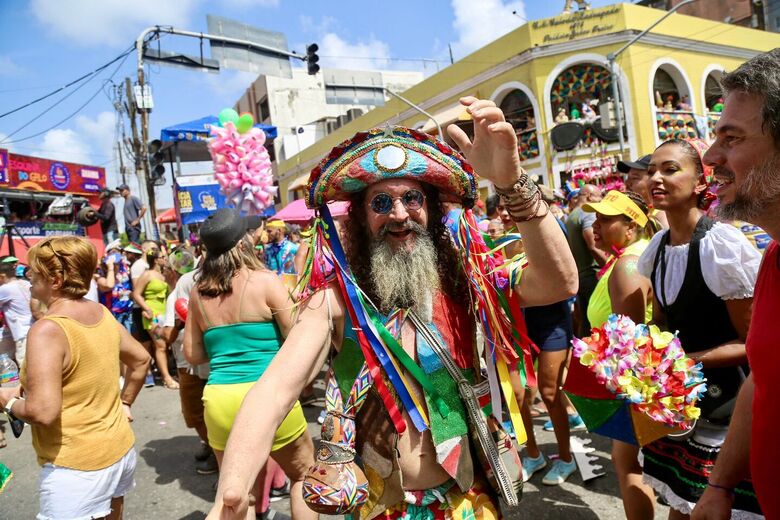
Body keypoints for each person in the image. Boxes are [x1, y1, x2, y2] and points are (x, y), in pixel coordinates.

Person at [206, 97, 578, 519]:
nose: (399, 213)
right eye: (381, 203)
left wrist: (511, 183)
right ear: (363, 219)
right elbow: (273, 392)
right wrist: (231, 492)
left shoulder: (467, 281)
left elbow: (559, 282)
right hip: (378, 509)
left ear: (432, 209)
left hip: (468, 503)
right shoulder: (336, 302)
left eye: (412, 199)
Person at [637, 139, 763, 519]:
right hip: (683, 410)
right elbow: (662, 325)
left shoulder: (721, 245)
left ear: (699, 183)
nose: (656, 178)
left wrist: (684, 362)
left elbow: (753, 344)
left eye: (670, 169)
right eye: (651, 171)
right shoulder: (657, 247)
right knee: (681, 503)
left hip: (729, 411)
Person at [0, 236, 150, 520]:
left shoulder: (48, 329)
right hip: (118, 450)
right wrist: (125, 403)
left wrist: (7, 401)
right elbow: (141, 360)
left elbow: (42, 412)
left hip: (77, 468)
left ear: (55, 279)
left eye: (32, 270)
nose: (27, 276)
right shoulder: (100, 313)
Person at [692, 49, 780, 520]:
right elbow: (763, 383)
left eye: (732, 138)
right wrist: (721, 484)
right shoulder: (772, 257)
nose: (710, 157)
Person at [185, 208, 317, 520]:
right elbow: (296, 334)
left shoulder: (197, 291)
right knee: (303, 477)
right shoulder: (265, 281)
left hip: (219, 399)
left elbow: (193, 354)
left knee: (237, 494)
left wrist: (224, 346)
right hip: (268, 396)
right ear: (243, 243)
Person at [583, 190, 656, 520]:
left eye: (605, 219)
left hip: (632, 380)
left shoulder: (628, 264)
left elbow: (629, 339)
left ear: (632, 227)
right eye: (595, 217)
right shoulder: (628, 256)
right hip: (632, 378)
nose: (595, 225)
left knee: (629, 465)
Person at [565, 184, 608, 336]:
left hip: (580, 276)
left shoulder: (571, 216)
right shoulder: (587, 213)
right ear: (590, 197)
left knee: (586, 320)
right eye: (599, 196)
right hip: (592, 275)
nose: (602, 200)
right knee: (597, 321)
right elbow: (593, 246)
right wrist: (610, 267)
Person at [133, 248, 177, 389]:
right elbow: (137, 294)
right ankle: (166, 378)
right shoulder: (147, 275)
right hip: (153, 314)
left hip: (165, 312)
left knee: (168, 343)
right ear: (156, 259)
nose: (165, 259)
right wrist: (146, 308)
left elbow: (171, 292)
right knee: (160, 345)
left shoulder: (164, 274)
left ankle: (168, 373)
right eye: (163, 257)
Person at [620, 154, 669, 231]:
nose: (627, 183)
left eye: (634, 178)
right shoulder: (640, 212)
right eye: (627, 178)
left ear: (653, 180)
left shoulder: (662, 218)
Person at [97, 241, 134, 332]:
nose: (117, 255)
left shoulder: (125, 269)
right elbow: (109, 285)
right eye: (113, 252)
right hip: (114, 314)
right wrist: (110, 267)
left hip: (128, 310)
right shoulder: (101, 277)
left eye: (119, 252)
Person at [0, 262, 32, 367]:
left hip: (22, 331)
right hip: (33, 326)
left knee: (24, 365)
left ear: (2, 276)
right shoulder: (25, 283)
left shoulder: (5, 289)